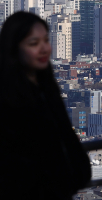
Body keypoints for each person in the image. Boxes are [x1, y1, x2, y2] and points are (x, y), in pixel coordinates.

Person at [0, 12, 91, 200]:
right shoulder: (7, 98)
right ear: (14, 49)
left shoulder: (46, 88)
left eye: (46, 40)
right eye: (33, 43)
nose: (44, 49)